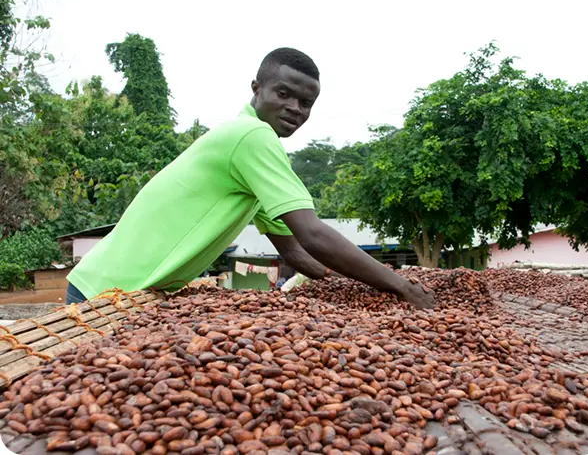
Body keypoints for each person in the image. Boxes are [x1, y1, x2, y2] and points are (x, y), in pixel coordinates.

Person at [65, 47, 435, 309]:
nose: (294, 108)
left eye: (305, 103)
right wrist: (401, 287)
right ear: (256, 89)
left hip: (111, 286)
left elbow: (294, 250)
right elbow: (313, 233)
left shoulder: (249, 152)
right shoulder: (252, 137)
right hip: (107, 293)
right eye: (283, 94)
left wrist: (354, 287)